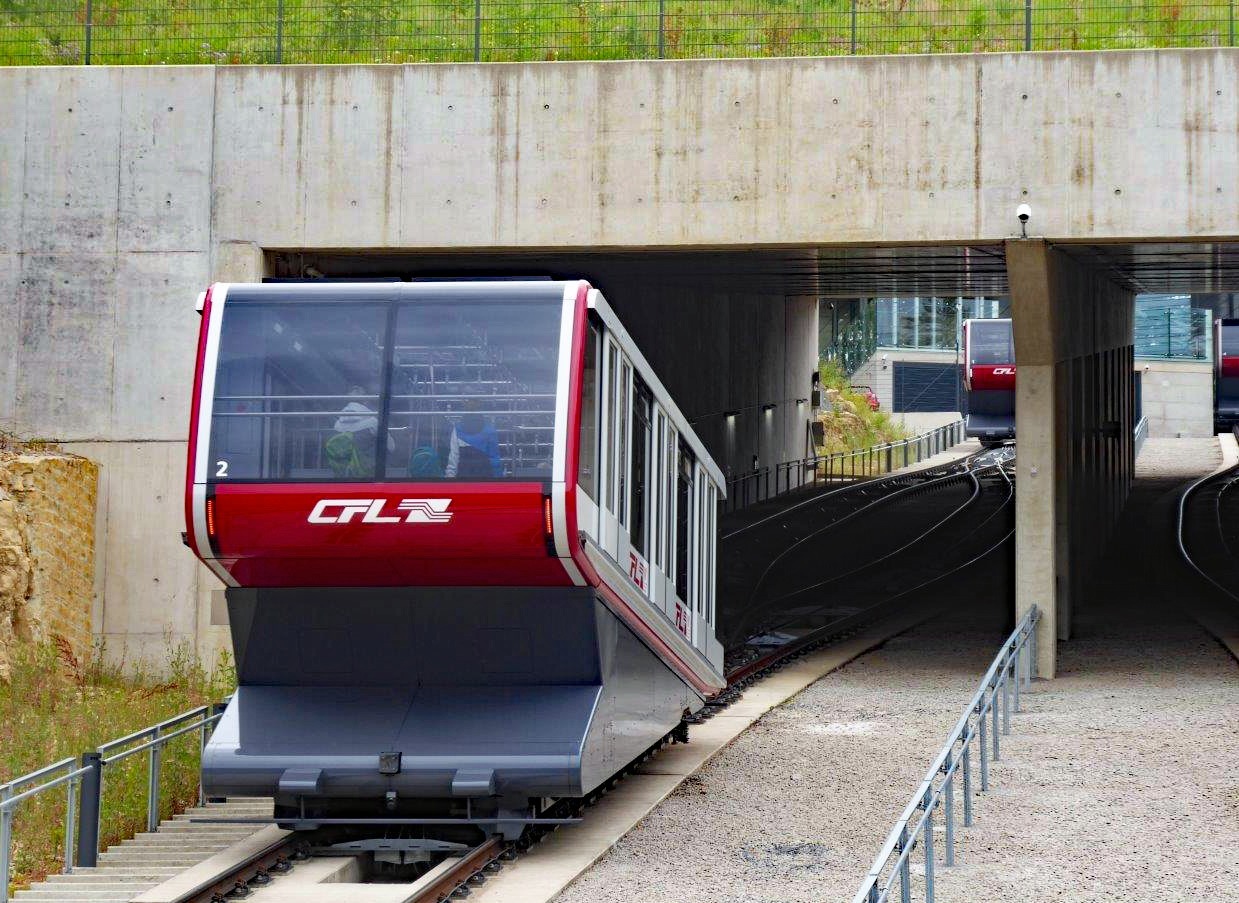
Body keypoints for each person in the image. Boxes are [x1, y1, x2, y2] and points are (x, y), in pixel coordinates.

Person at [326, 386, 392, 477]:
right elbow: (391, 447)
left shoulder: (336, 425)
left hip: (341, 476)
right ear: (366, 401)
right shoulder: (373, 422)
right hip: (369, 475)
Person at [445, 398, 502, 478]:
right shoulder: (489, 429)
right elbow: (494, 460)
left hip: (463, 478)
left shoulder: (457, 430)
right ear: (480, 407)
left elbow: (453, 460)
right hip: (485, 478)